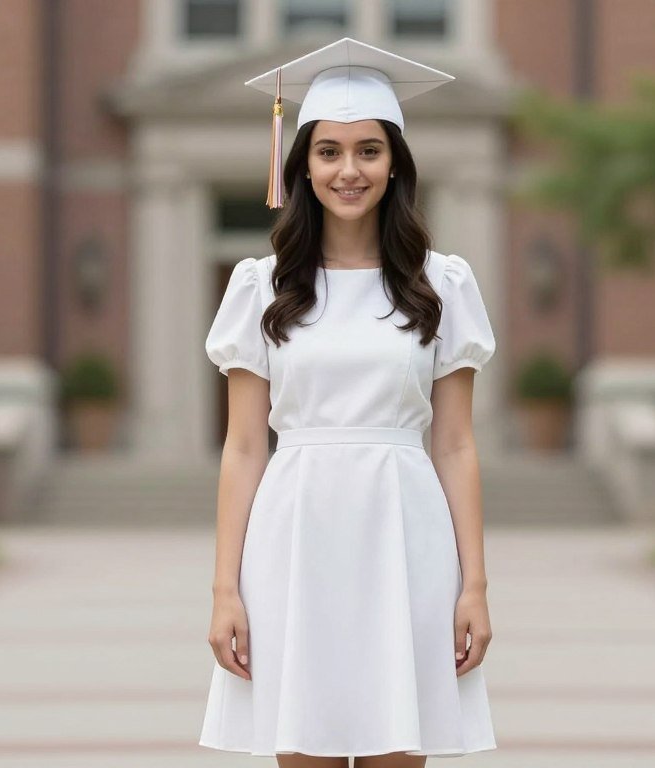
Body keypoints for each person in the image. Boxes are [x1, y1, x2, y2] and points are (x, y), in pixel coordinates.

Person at [200, 37, 498, 767]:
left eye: (369, 150)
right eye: (329, 152)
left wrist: (475, 587)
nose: (349, 170)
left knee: (399, 744)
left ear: (395, 163)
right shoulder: (262, 287)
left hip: (404, 536)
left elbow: (455, 443)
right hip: (295, 538)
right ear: (303, 164)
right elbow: (244, 446)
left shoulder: (440, 285)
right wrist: (224, 591)